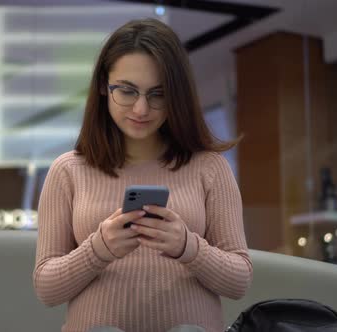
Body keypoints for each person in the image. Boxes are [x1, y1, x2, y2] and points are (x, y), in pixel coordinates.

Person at [33, 18, 253, 332]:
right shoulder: (68, 171)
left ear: (176, 96)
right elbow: (46, 288)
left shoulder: (210, 168)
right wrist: (99, 249)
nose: (140, 109)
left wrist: (187, 246)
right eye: (127, 91)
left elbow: (239, 280)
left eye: (157, 94)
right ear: (103, 87)